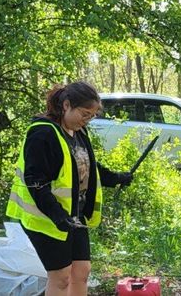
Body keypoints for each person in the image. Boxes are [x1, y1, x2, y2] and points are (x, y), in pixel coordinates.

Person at [7, 82, 133, 296]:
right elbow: (35, 181)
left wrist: (117, 178)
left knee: (81, 272)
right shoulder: (42, 134)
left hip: (73, 216)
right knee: (61, 277)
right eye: (85, 114)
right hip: (45, 218)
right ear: (66, 105)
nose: (88, 120)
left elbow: (88, 167)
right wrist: (57, 215)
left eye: (92, 116)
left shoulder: (79, 131)